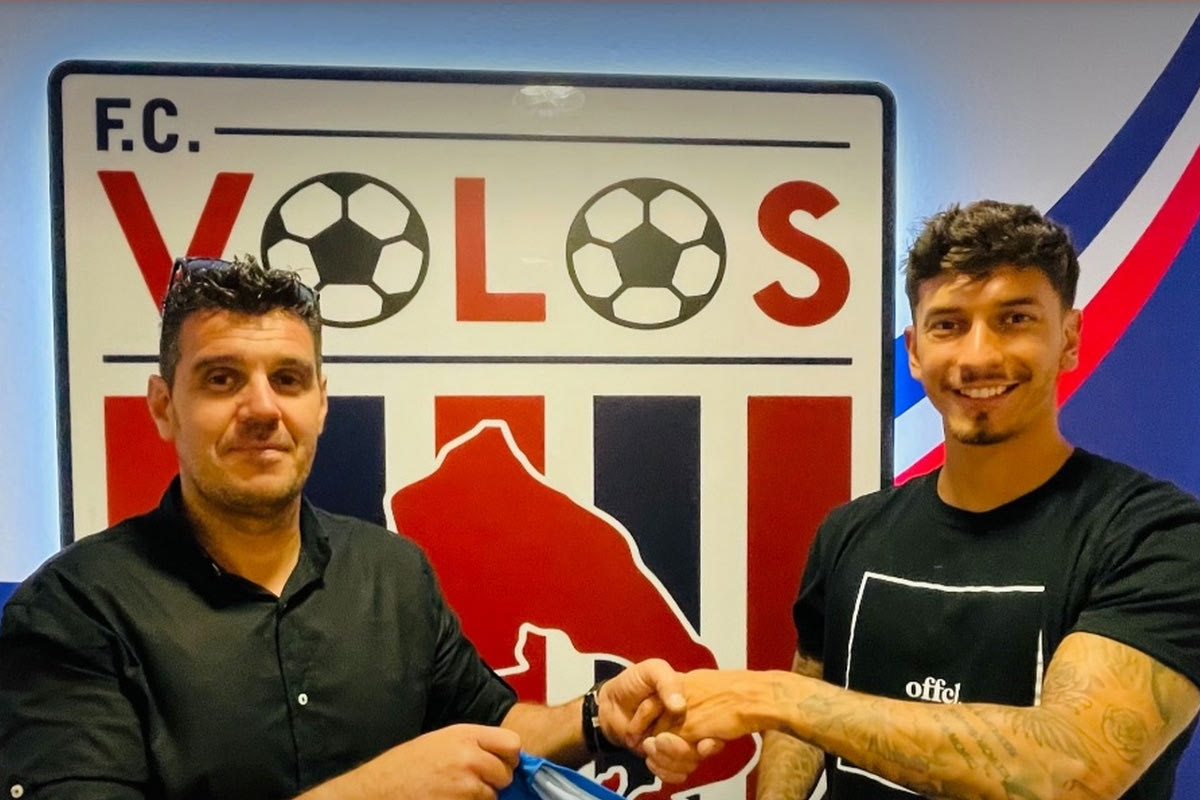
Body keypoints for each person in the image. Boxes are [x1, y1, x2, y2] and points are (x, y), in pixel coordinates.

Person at [0, 256, 702, 800]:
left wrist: (597, 715)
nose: (262, 409)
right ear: (162, 406)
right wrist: (375, 792)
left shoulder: (391, 573)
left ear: (321, 403)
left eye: (288, 379)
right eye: (221, 379)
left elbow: (494, 728)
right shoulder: (76, 609)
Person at [643, 201, 1200, 799]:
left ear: (1069, 339)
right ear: (914, 350)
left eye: (1015, 319)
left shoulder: (1155, 538)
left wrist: (773, 697)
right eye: (948, 325)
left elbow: (1072, 772)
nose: (978, 356)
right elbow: (806, 711)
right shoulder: (851, 532)